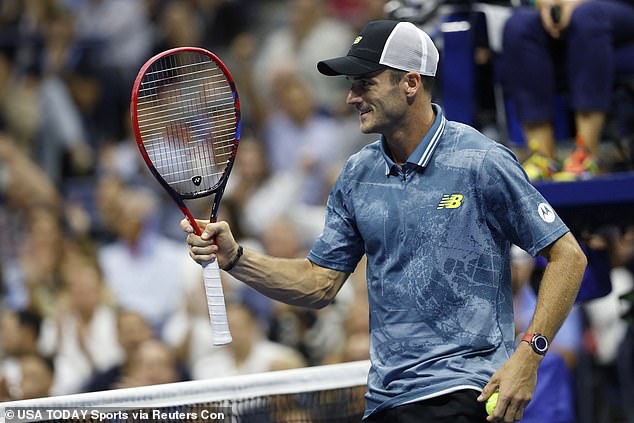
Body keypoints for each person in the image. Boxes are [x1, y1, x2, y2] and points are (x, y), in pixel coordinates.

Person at [182, 20, 587, 423]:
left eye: (364, 83)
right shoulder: (357, 174)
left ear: (410, 83)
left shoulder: (482, 161)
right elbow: (318, 283)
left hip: (465, 390)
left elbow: (568, 257)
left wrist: (528, 354)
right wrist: (235, 258)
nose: (350, 98)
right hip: (385, 402)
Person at [502, 0, 634, 181]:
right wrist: (546, 3)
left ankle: (586, 154)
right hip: (559, 9)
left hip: (616, 9)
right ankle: (543, 158)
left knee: (588, 16)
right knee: (518, 25)